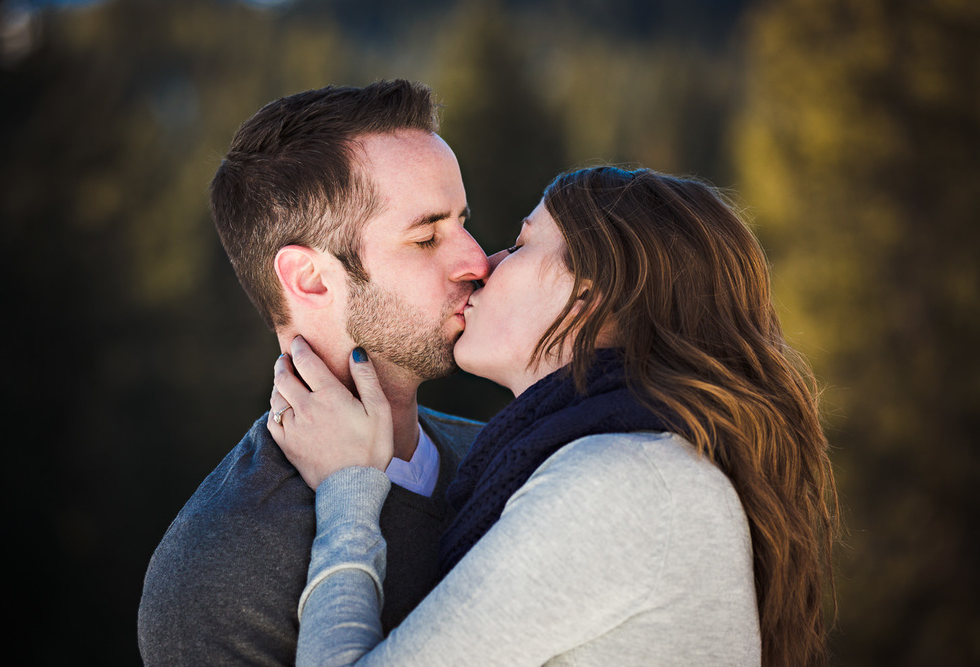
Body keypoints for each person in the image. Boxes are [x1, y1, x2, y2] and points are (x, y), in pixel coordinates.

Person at [270, 166, 840, 666]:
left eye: (520, 246)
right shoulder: (641, 466)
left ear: (589, 294)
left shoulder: (618, 486)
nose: (483, 264)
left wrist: (347, 489)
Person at [137, 80, 492, 665]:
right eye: (427, 237)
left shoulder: (505, 462)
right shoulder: (221, 565)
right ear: (311, 280)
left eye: (462, 222)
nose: (477, 260)